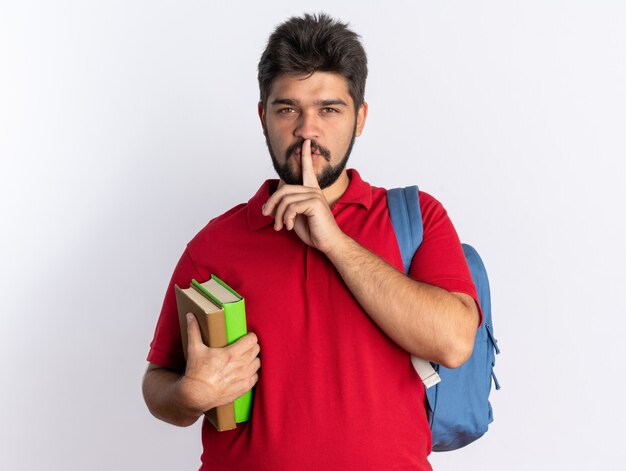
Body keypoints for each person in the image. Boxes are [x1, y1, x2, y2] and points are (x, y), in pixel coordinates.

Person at [142, 12, 480, 471]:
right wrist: (188, 395)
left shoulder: (417, 217)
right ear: (263, 117)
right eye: (287, 109)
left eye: (329, 109)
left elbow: (456, 343)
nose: (306, 129)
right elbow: (157, 382)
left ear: (359, 118)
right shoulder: (214, 244)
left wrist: (335, 242)